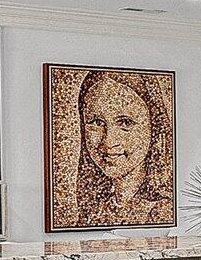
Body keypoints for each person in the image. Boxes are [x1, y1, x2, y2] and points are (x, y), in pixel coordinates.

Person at [59, 67, 176, 227]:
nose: (108, 141)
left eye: (125, 122)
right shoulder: (94, 212)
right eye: (97, 123)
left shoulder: (162, 210)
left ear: (154, 126)